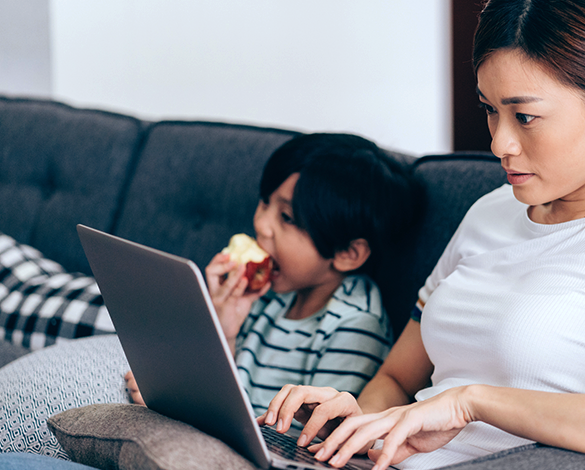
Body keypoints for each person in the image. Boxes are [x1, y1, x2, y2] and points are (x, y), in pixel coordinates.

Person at [257, 1, 585, 470]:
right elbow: (395, 377)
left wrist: (471, 403)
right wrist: (356, 426)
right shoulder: (490, 211)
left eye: (525, 116)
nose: (499, 143)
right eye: (491, 110)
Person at [126, 133, 420, 416]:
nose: (262, 225)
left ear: (347, 253)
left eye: (287, 218)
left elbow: (307, 440)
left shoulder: (355, 325)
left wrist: (185, 404)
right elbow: (228, 388)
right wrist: (222, 327)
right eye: (265, 201)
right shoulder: (270, 293)